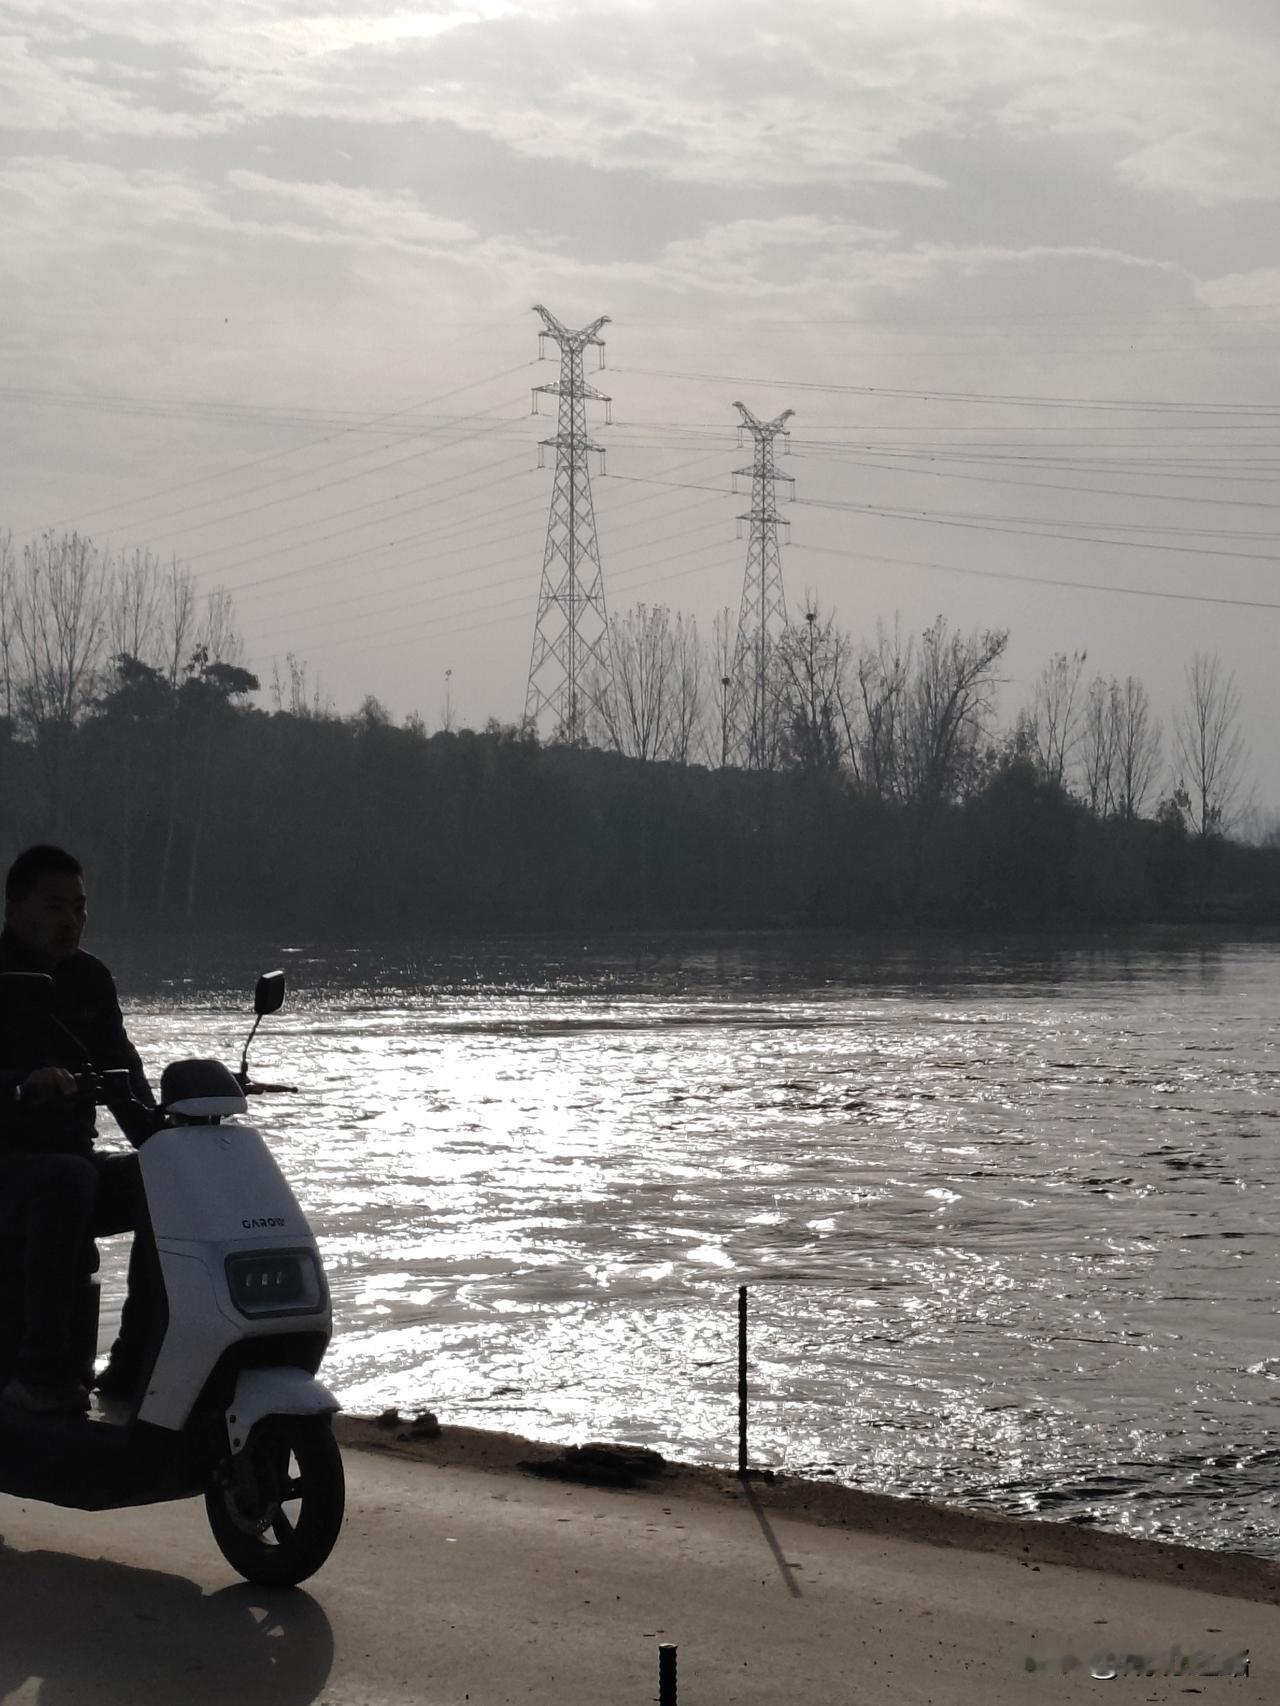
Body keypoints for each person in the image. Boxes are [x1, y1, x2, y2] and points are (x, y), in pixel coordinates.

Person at [0, 844, 156, 1413]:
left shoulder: (91, 979)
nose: (72, 921)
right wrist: (22, 1082)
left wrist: (175, 1130)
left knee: (162, 1180)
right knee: (67, 1179)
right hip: (14, 1162)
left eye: (80, 908)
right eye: (55, 905)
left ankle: (136, 1364)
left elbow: (127, 1079)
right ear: (15, 907)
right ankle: (38, 1373)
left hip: (67, 1163)